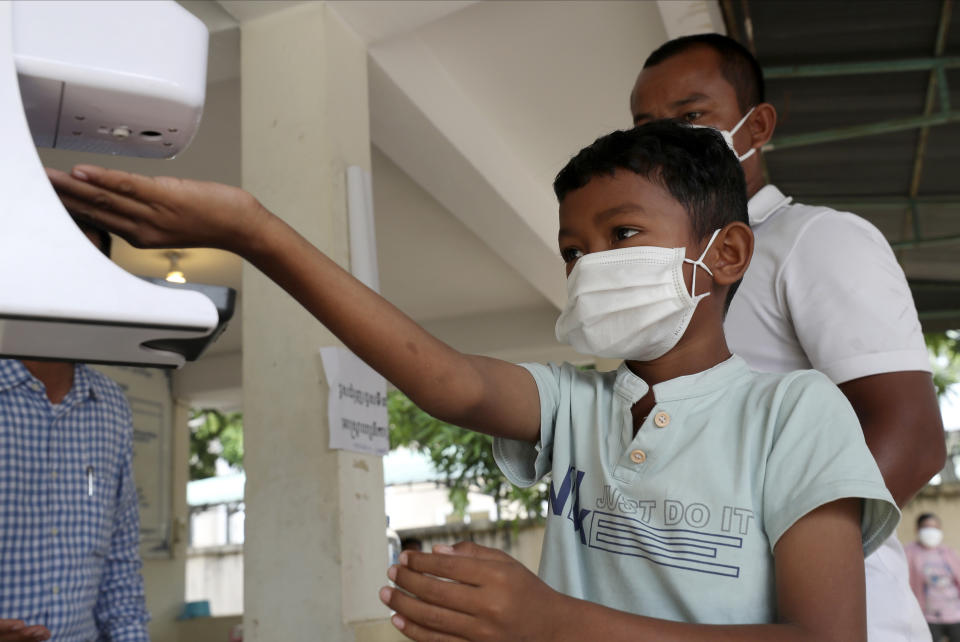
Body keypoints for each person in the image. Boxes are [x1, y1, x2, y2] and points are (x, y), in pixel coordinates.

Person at [48, 120, 898, 641]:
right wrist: (258, 236)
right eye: (574, 250)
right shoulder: (578, 404)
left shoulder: (796, 412)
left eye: (623, 232)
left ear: (727, 253)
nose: (590, 265)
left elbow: (825, 638)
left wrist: (552, 624)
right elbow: (445, 379)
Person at [628, 33, 945, 641]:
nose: (667, 141)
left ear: (757, 125)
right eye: (646, 126)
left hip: (846, 619)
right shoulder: (677, 277)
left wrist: (767, 560)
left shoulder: (814, 240)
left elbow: (911, 435)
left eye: (692, 116)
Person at [0, 218, 150, 642]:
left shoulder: (110, 407)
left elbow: (120, 567)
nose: (68, 285)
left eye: (86, 271)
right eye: (55, 264)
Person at [906, 513, 960, 641]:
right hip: (927, 617)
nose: (931, 531)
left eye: (935, 527)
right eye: (927, 527)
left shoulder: (948, 553)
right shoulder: (909, 552)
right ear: (917, 529)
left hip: (955, 615)